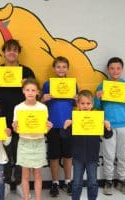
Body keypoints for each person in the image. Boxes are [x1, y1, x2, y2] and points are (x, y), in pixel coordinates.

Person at [0, 39, 35, 198]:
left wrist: (27, 85)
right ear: (4, 53)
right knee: (3, 153)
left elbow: (34, 93)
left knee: (21, 152)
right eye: (8, 50)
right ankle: (4, 183)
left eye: (15, 50)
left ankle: (19, 182)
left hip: (22, 117)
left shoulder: (26, 72)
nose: (12, 52)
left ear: (18, 52)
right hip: (0, 118)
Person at [94, 57, 125, 195]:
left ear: (122, 70)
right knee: (108, 154)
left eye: (118, 68)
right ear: (108, 69)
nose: (115, 71)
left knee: (123, 154)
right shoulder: (102, 86)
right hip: (108, 125)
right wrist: (97, 97)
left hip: (124, 124)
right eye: (112, 68)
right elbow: (97, 106)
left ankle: (122, 180)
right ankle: (108, 181)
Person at [63, 90, 113, 200]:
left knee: (92, 183)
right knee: (76, 183)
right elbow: (65, 136)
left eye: (88, 103)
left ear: (92, 104)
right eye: (82, 103)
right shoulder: (74, 118)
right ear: (78, 104)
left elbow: (107, 135)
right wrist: (65, 127)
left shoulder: (97, 118)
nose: (85, 106)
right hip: (77, 157)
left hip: (92, 157)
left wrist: (108, 128)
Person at [12, 78, 53, 200]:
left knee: (37, 174)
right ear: (23, 91)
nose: (30, 92)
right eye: (27, 90)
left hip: (39, 142)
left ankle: (38, 198)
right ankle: (26, 198)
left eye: (33, 90)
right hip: (24, 142)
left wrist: (48, 127)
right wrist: (15, 127)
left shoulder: (42, 108)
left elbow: (45, 129)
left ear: (38, 92)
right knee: (25, 175)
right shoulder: (18, 108)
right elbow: (16, 129)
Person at [41, 56, 75, 197]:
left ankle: (67, 181)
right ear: (54, 69)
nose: (61, 69)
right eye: (58, 67)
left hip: (68, 124)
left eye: (64, 67)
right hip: (52, 126)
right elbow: (41, 104)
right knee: (54, 156)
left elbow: (77, 104)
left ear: (68, 69)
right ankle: (54, 183)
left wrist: (76, 98)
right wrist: (44, 98)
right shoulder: (48, 84)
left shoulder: (73, 84)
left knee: (68, 156)